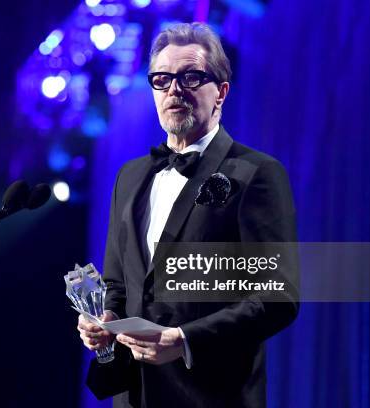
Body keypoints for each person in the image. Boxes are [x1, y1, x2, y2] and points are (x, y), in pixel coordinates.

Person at [77, 22, 298, 408]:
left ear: (221, 93)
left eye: (191, 77)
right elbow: (118, 282)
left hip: (213, 396)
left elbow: (277, 299)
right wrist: (104, 318)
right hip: (135, 397)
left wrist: (184, 339)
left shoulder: (256, 174)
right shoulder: (130, 177)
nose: (174, 89)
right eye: (162, 79)